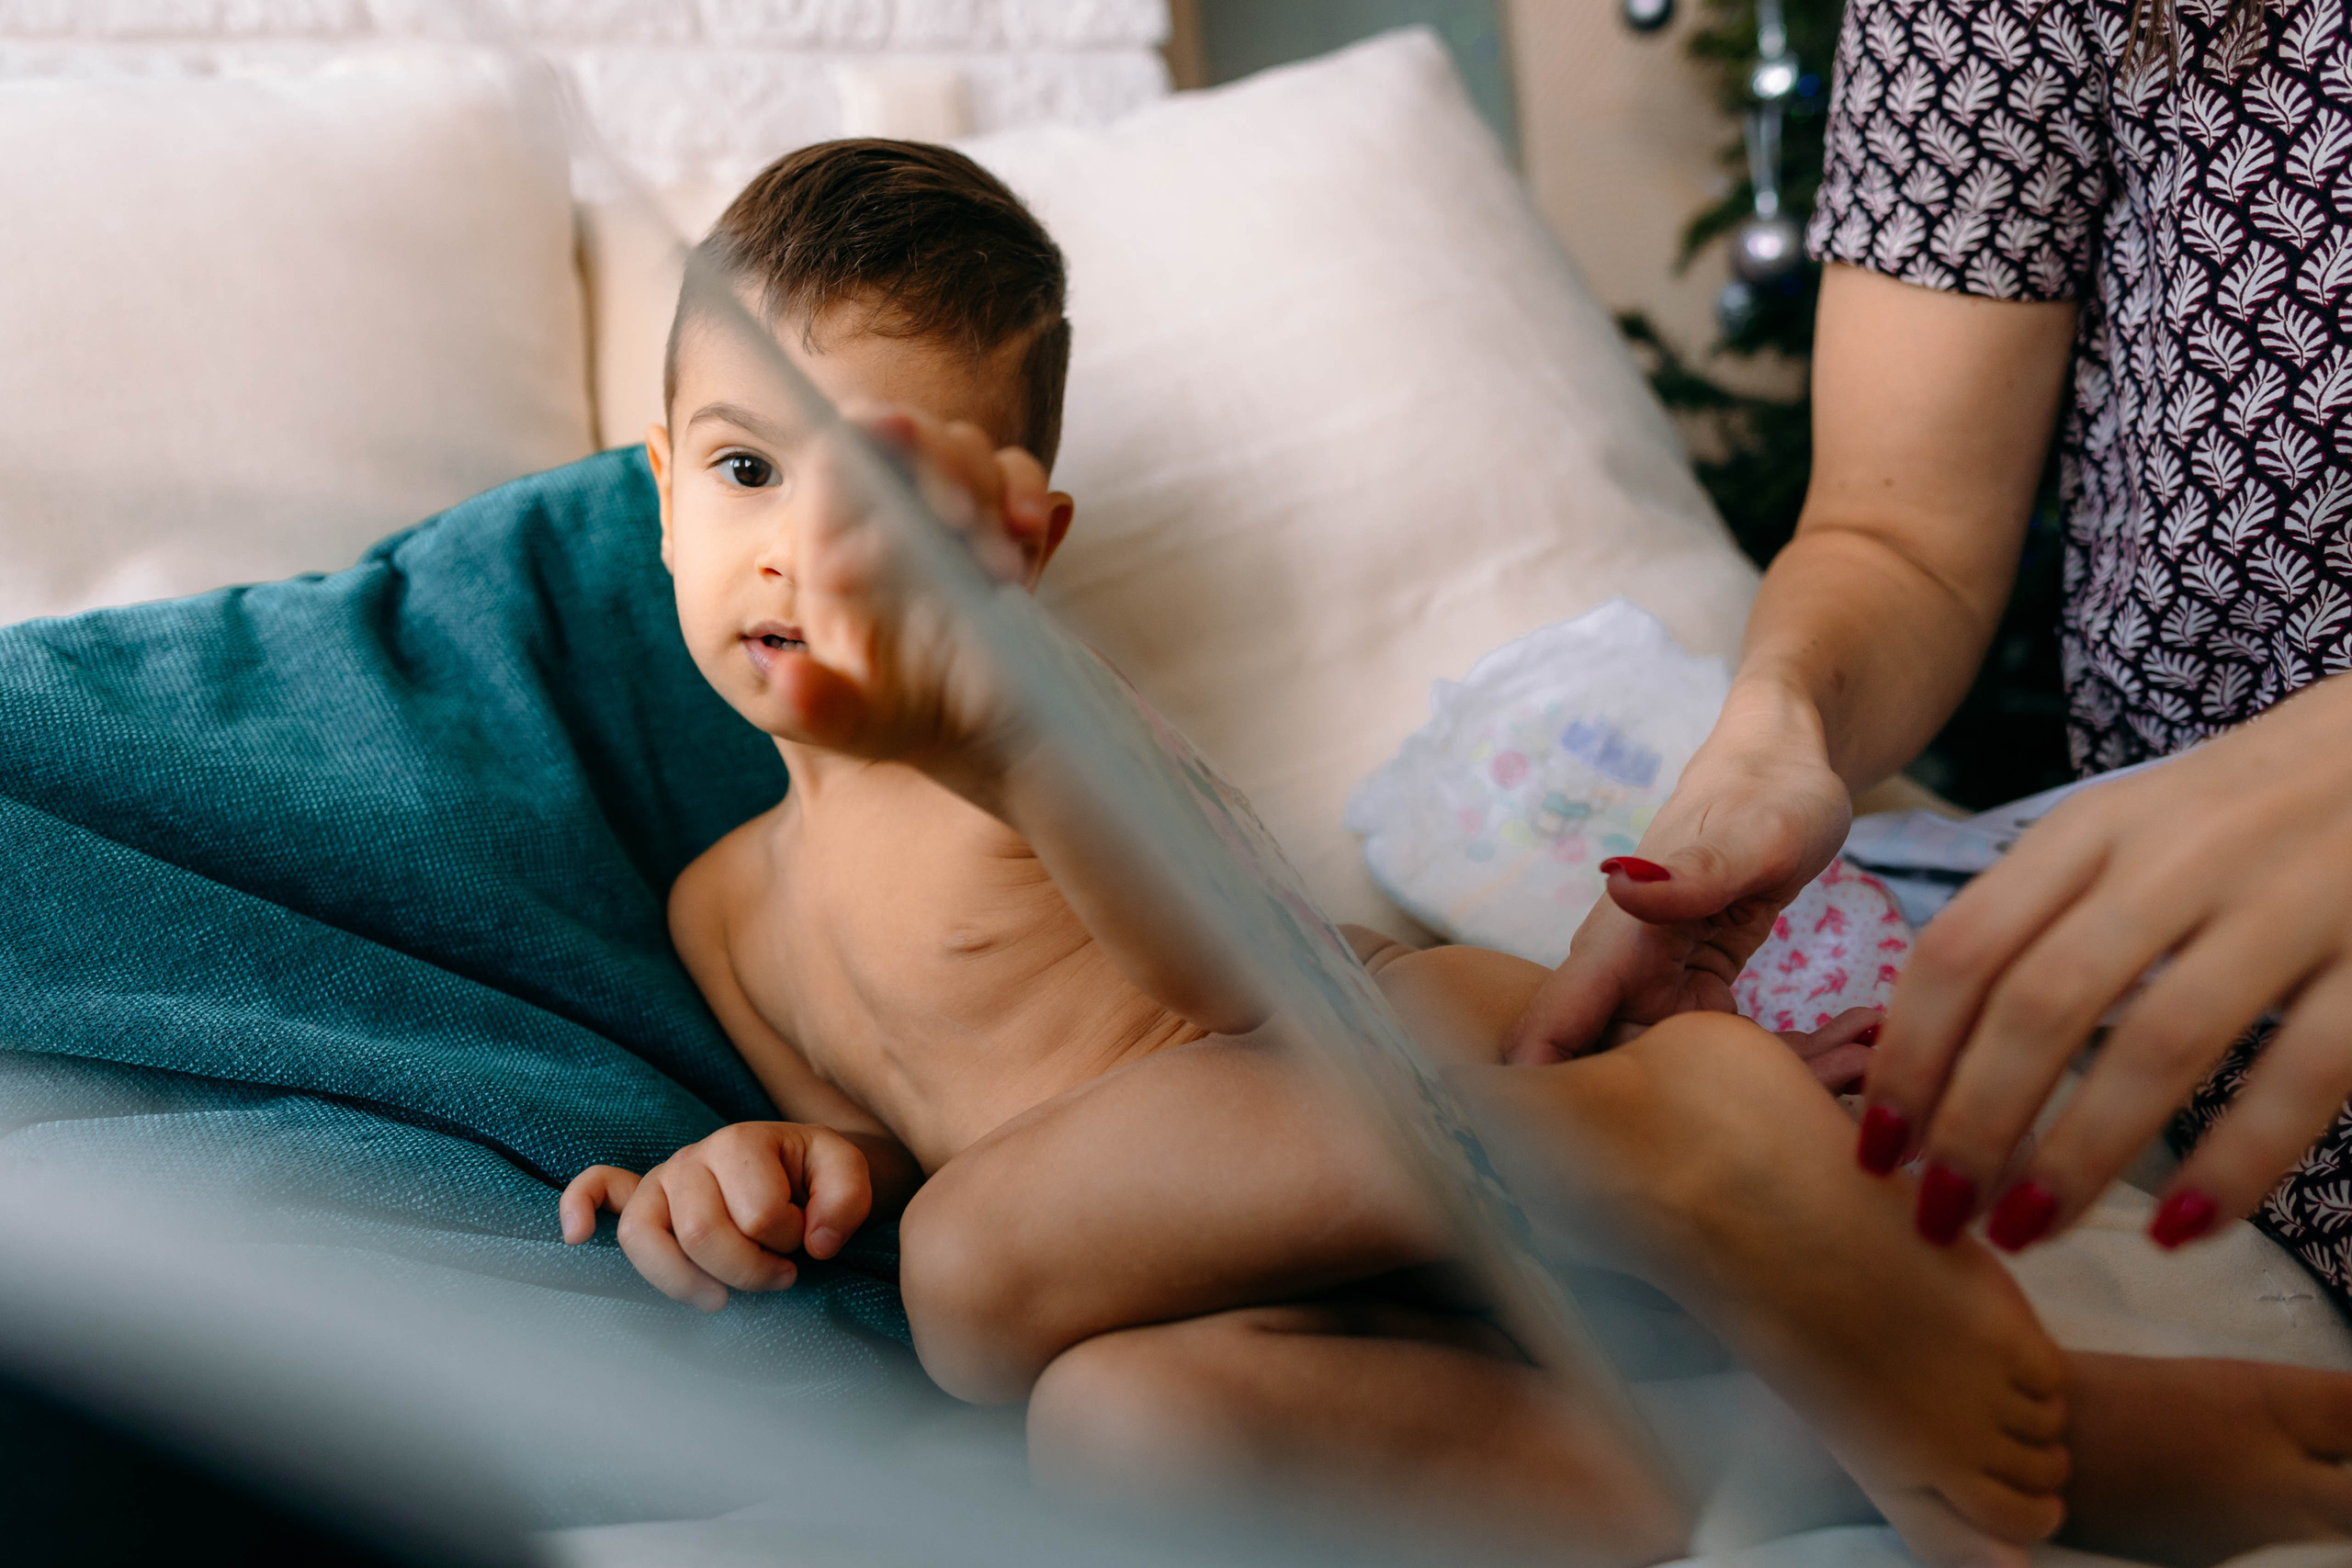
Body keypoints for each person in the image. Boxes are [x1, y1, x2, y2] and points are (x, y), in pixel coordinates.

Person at [554, 139, 2086, 1566]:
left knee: (963, 1278)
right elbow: (891, 1148)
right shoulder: (719, 913)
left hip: (1417, 1069)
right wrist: (780, 1170)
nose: (800, 551)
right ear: (665, 497)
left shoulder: (1043, 727)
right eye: (749, 471)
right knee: (1116, 1427)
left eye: (884, 494)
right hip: (1269, 1283)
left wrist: (1015, 730)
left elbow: (1238, 965)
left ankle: (1659, 1127)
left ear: (1018, 546)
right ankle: (1762, 1461)